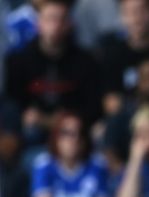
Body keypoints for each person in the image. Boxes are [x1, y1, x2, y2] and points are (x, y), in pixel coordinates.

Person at [4, 0, 102, 151]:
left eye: (60, 19)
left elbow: (93, 106)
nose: (55, 26)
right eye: (50, 19)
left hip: (75, 132)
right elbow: (14, 103)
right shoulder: (19, 61)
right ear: (38, 23)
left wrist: (62, 120)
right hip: (33, 133)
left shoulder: (85, 61)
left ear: (69, 25)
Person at [31, 110, 110, 197]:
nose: (74, 139)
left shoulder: (97, 165)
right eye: (67, 133)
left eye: (79, 133)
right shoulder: (44, 165)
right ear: (56, 137)